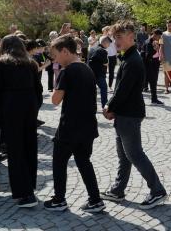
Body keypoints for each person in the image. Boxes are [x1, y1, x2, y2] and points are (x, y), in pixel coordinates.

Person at [101, 21, 167, 209]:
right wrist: (113, 107)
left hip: (129, 115)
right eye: (115, 37)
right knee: (124, 155)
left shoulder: (133, 60)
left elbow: (123, 90)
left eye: (120, 37)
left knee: (135, 154)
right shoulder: (128, 57)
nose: (116, 41)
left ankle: (157, 191)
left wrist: (109, 107)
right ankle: (118, 190)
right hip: (125, 113)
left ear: (131, 37)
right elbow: (121, 90)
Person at [43, 35, 105, 213]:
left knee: (59, 162)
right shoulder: (87, 69)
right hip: (88, 126)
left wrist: (57, 80)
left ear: (65, 51)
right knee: (84, 162)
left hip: (70, 127)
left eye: (55, 56)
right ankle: (95, 200)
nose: (55, 60)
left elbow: (55, 100)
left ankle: (59, 199)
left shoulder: (66, 71)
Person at [0, 35, 42, 207]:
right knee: (29, 147)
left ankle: (24, 193)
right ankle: (30, 187)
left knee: (16, 150)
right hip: (29, 106)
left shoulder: (1, 63)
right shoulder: (31, 63)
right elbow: (38, 90)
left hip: (11, 108)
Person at [88, 35, 111, 109]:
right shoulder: (103, 51)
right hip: (99, 74)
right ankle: (105, 105)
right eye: (109, 43)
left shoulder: (92, 48)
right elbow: (106, 63)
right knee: (104, 89)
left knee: (92, 91)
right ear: (105, 43)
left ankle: (92, 106)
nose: (109, 45)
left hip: (90, 73)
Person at [144, 29, 164, 105]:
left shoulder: (153, 41)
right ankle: (154, 99)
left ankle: (154, 99)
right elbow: (148, 55)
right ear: (155, 35)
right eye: (159, 36)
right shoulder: (149, 42)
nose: (159, 38)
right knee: (152, 82)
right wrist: (155, 50)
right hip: (149, 65)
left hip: (154, 64)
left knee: (153, 82)